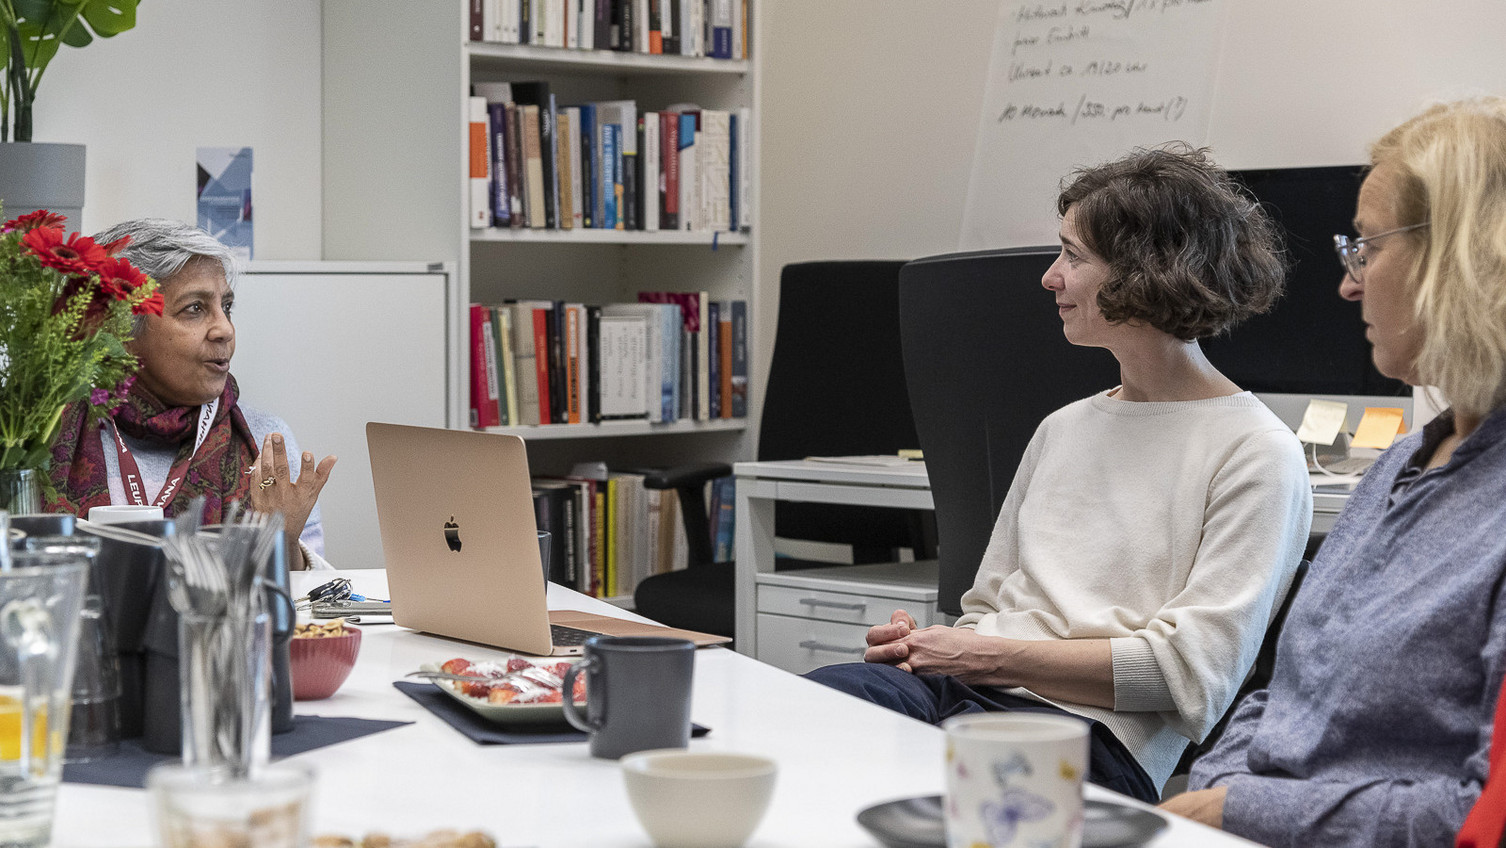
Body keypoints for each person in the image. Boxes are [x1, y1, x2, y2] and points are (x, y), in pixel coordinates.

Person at [804, 145, 1313, 802]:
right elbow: (986, 612)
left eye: (1073, 256)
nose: (1050, 277)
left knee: (908, 796)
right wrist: (933, 646)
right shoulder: (1063, 427)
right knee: (806, 718)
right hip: (966, 689)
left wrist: (985, 656)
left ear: (1146, 272)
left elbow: (1193, 673)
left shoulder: (1256, 451)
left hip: (1089, 735)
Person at [1166, 97, 1506, 845]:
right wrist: (1218, 791)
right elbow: (1282, 693)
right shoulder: (1397, 467)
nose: (1349, 284)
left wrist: (1232, 809)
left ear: (1463, 256)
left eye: (1368, 248)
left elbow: (1479, 819)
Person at [47, 218, 337, 570]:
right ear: (118, 326)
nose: (225, 329)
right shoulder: (45, 435)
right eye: (195, 309)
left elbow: (316, 604)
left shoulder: (266, 443)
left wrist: (284, 544)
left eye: (226, 307)